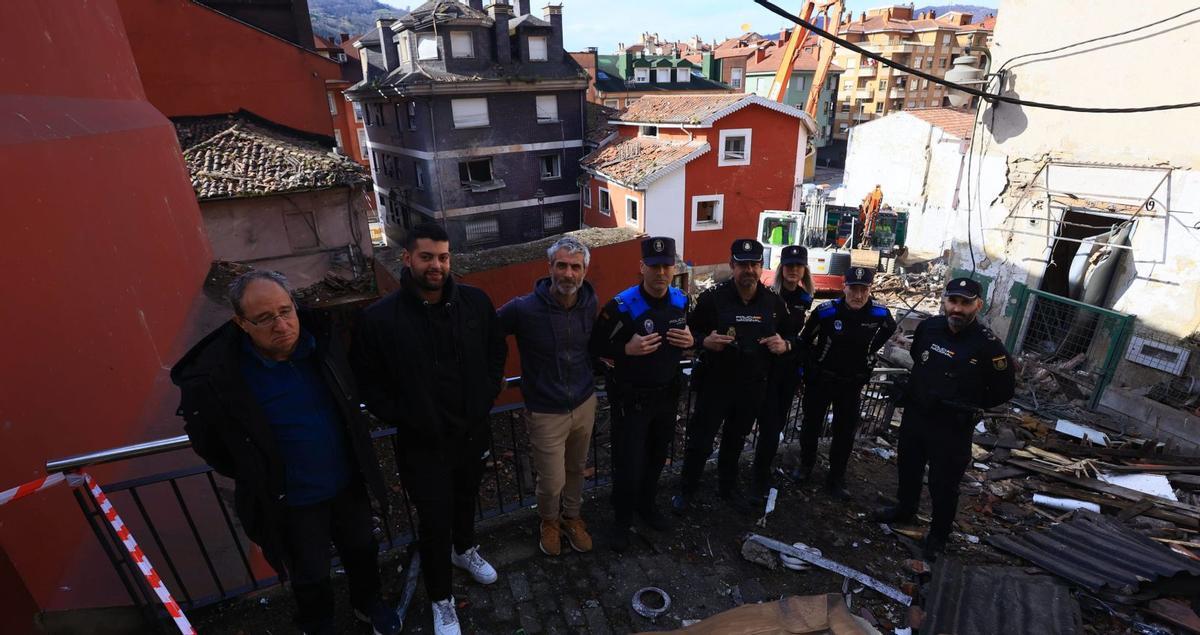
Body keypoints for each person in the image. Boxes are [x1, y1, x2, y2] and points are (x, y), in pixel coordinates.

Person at [171, 271, 400, 635]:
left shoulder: (322, 343)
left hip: (346, 484)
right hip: (292, 501)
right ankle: (318, 623)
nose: (281, 325)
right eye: (264, 318)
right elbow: (210, 443)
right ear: (241, 323)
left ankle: (368, 604)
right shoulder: (222, 378)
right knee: (309, 572)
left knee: (362, 549)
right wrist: (256, 471)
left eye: (285, 310)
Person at [350, 223, 507, 635]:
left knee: (467, 500)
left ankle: (464, 549)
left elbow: (496, 353)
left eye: (443, 257)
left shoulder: (475, 303)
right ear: (407, 259)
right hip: (421, 445)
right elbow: (368, 383)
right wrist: (406, 417)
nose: (436, 265)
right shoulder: (379, 320)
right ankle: (442, 598)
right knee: (435, 520)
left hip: (471, 434)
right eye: (427, 257)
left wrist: (486, 397)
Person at [875, 278, 1015, 561]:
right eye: (953, 301)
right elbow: (919, 358)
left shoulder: (989, 346)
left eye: (965, 303)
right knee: (909, 467)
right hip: (918, 414)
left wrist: (970, 404)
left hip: (952, 426)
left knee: (944, 483)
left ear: (978, 305)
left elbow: (1004, 389)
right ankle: (905, 510)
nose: (958, 309)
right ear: (944, 301)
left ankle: (938, 535)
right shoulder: (929, 328)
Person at [673, 239, 793, 514]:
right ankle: (686, 491)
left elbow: (793, 335)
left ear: (761, 267)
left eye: (754, 264)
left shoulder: (773, 303)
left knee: (735, 441)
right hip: (715, 384)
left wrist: (785, 345)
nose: (748, 270)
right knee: (701, 442)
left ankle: (726, 488)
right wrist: (704, 342)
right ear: (732, 265)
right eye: (742, 264)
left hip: (751, 388)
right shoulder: (712, 299)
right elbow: (687, 334)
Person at [589, 237, 692, 551]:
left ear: (673, 267)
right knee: (628, 463)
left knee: (657, 458)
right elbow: (594, 348)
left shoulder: (682, 301)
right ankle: (621, 521)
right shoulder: (622, 306)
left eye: (666, 266)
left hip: (666, 396)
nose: (660, 273)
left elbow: (694, 337)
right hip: (631, 400)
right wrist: (626, 350)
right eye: (653, 266)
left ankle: (646, 507)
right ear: (641, 267)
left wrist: (693, 339)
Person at [497, 236, 598, 557]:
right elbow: (485, 334)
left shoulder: (590, 304)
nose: (569, 274)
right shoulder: (523, 309)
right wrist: (491, 374)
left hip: (584, 402)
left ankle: (572, 517)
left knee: (576, 469)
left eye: (576, 268)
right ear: (550, 267)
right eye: (562, 265)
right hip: (544, 411)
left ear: (584, 272)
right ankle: (549, 522)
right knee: (551, 480)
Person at [794, 266, 896, 500]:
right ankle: (805, 466)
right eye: (853, 289)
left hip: (851, 384)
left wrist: (870, 351)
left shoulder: (879, 314)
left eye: (864, 289)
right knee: (811, 426)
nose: (858, 295)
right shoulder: (826, 312)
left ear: (870, 289)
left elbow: (889, 330)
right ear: (844, 287)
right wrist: (805, 370)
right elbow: (805, 341)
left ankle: (836, 477)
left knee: (845, 433)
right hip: (821, 379)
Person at [750, 245, 814, 499]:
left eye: (798, 266)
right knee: (754, 422)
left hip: (786, 371)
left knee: (775, 425)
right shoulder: (765, 294)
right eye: (789, 266)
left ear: (804, 270)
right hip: (762, 368)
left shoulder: (805, 299)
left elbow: (803, 339)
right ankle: (751, 474)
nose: (794, 270)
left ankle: (761, 473)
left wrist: (789, 346)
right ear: (781, 268)